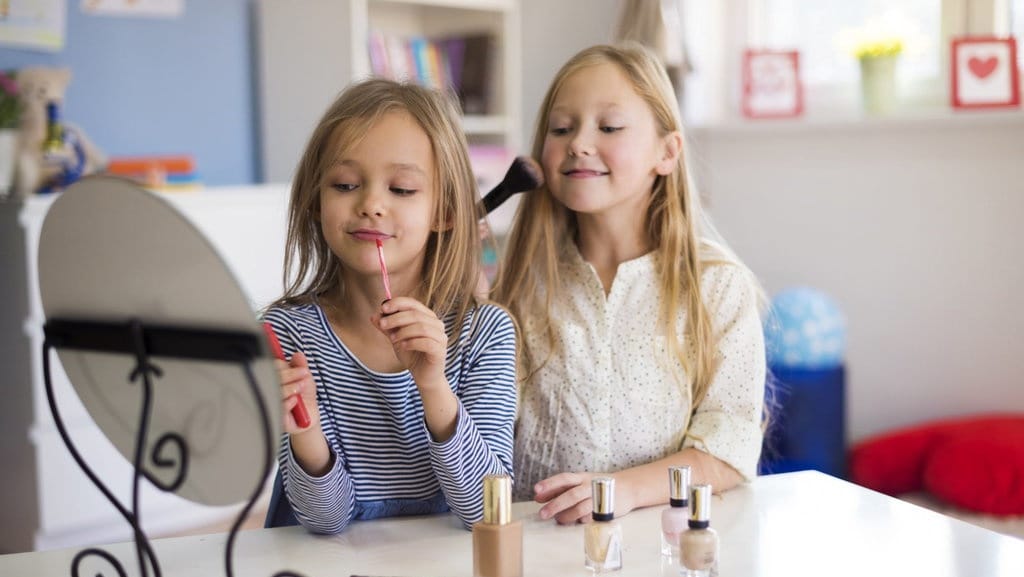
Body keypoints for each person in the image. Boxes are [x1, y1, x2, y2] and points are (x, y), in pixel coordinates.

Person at [492, 43, 766, 524]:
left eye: (610, 127)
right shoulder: (516, 287)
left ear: (667, 152)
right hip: (536, 544)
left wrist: (622, 490)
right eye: (561, 128)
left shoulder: (717, 288)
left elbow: (728, 447)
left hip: (658, 547)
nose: (578, 142)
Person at [264, 78, 517, 534]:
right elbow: (325, 520)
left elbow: (485, 512)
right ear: (316, 203)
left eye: (401, 189)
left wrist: (433, 384)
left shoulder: (486, 333)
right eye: (344, 184)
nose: (371, 204)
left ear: (445, 212)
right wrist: (304, 426)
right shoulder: (291, 333)